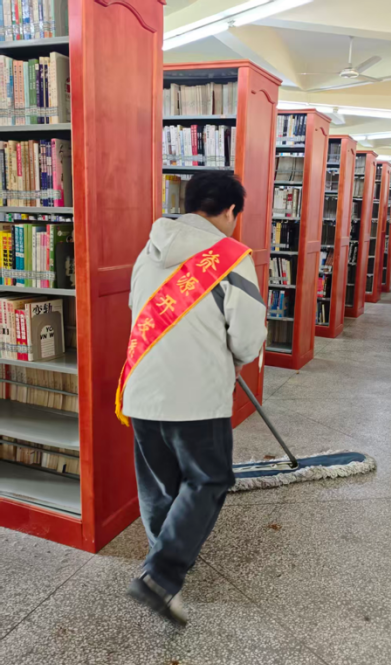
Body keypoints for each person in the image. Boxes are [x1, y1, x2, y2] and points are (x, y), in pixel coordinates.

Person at [117, 172, 267, 625]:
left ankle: (162, 552)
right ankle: (161, 575)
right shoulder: (232, 257)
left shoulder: (150, 248)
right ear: (231, 211)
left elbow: (135, 310)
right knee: (208, 479)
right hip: (197, 396)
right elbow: (246, 339)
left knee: (159, 482)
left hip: (142, 388)